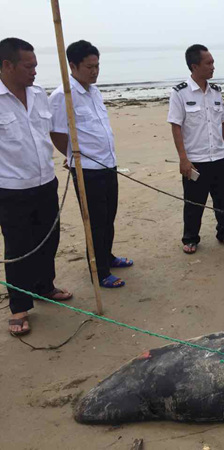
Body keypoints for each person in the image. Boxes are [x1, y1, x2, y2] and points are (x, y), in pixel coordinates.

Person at [0, 37, 72, 336]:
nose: (34, 72)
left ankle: (45, 286)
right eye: (29, 66)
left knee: (49, 238)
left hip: (46, 182)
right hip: (11, 188)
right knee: (19, 247)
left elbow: (51, 132)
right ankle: (19, 306)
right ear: (7, 65)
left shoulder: (40, 94)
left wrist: (70, 153)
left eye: (36, 66)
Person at [49, 40, 133, 289]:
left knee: (109, 216)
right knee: (95, 220)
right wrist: (72, 155)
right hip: (87, 168)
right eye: (89, 67)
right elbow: (56, 133)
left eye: (97, 65)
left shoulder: (94, 90)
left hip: (108, 164)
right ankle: (100, 270)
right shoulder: (62, 95)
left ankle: (107, 256)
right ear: (73, 66)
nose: (95, 71)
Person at [167, 44, 224, 254]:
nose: (213, 67)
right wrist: (183, 159)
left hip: (218, 156)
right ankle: (190, 238)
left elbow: (223, 121)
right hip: (196, 160)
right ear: (194, 66)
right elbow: (176, 126)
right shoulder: (180, 93)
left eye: (213, 62)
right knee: (194, 203)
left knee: (223, 200)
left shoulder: (215, 91)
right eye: (209, 63)